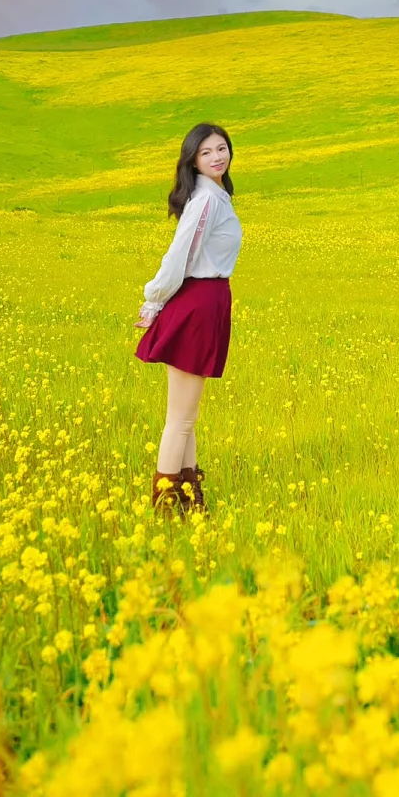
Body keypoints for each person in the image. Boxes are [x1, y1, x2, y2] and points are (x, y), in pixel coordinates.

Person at [135, 123, 241, 513]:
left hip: (206, 302)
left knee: (186, 417)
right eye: (207, 152)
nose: (217, 156)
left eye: (222, 148)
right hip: (196, 302)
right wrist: (154, 299)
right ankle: (166, 505)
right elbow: (180, 254)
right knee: (180, 419)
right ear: (193, 161)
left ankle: (191, 499)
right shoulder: (207, 201)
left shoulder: (215, 196)